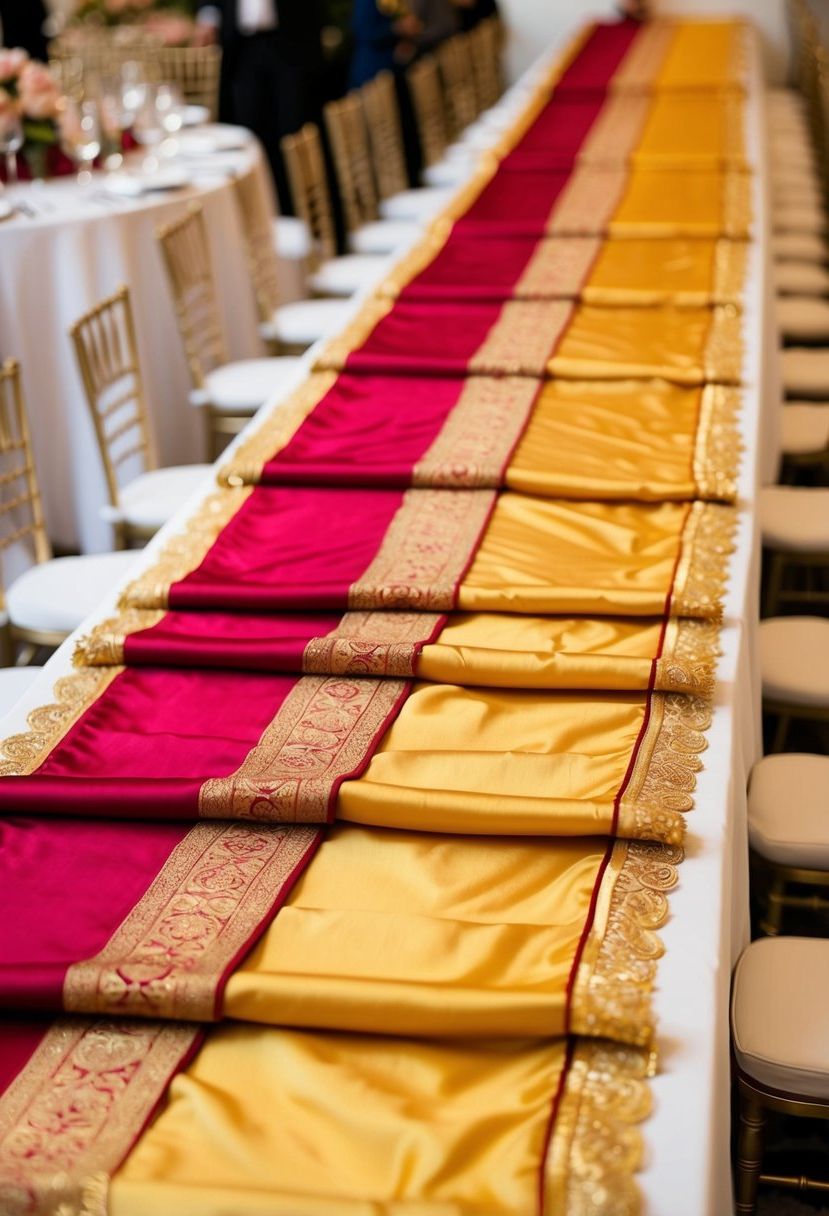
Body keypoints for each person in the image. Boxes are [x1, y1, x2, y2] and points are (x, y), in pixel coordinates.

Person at [195, 0, 324, 214]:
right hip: (242, 48)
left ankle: (300, 215)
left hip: (291, 41)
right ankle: (256, 215)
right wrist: (208, 16)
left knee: (293, 133)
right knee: (250, 137)